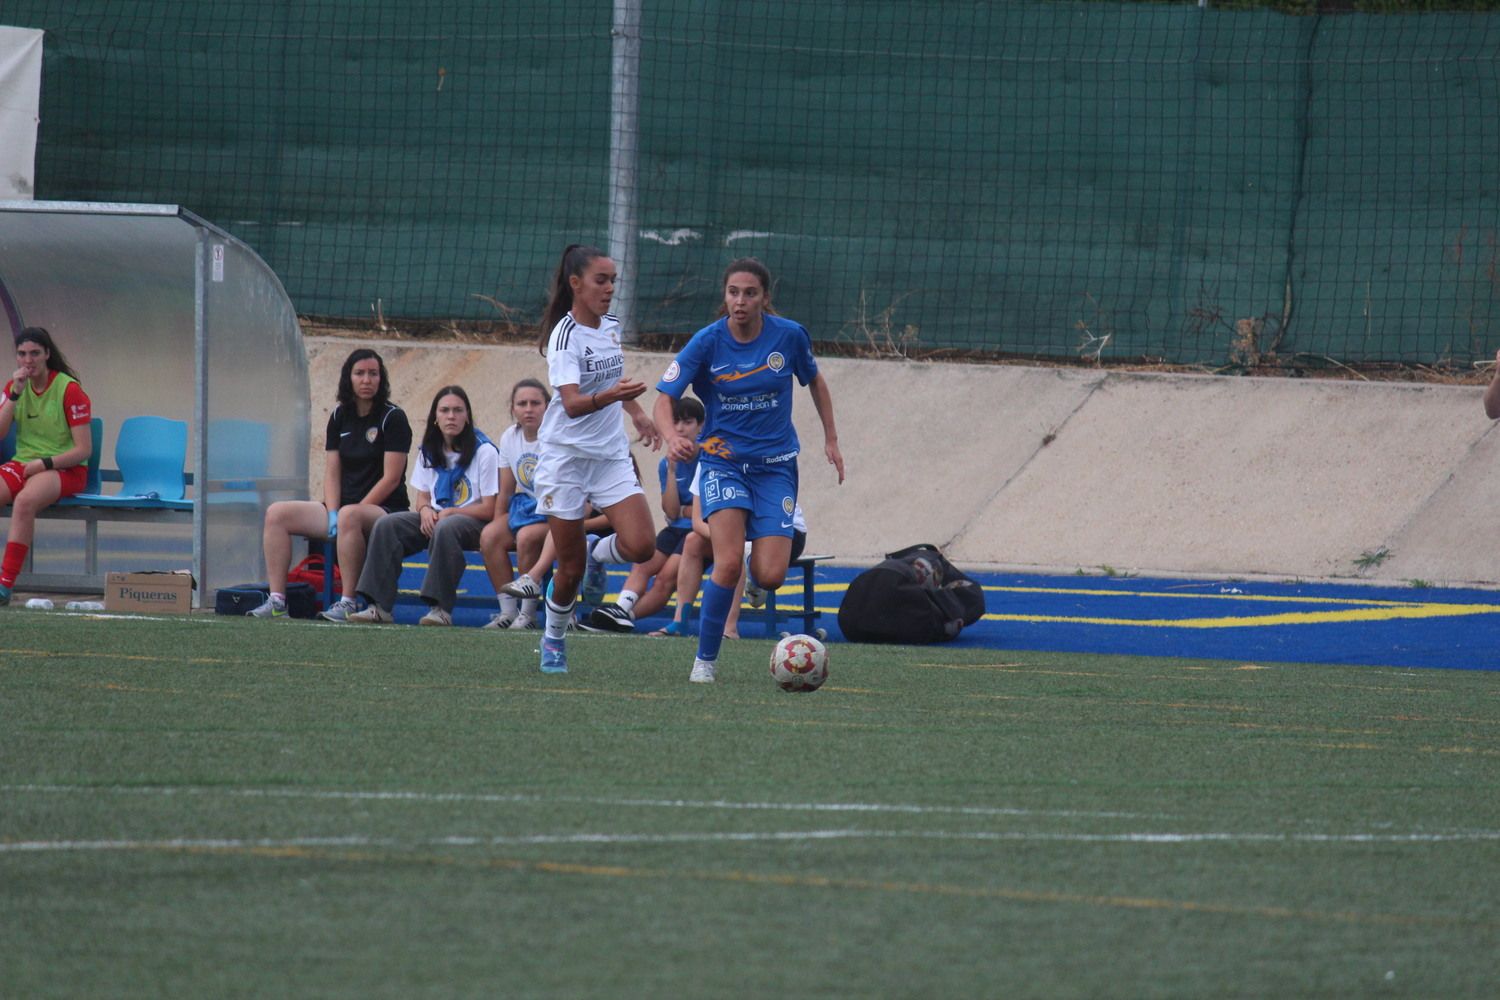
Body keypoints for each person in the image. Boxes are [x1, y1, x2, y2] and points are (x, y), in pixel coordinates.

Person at [654, 257, 844, 682]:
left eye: (750, 293)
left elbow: (815, 381)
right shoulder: (707, 342)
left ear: (764, 298)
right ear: (724, 297)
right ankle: (705, 661)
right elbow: (664, 397)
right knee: (725, 564)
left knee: (770, 574)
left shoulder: (789, 336)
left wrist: (830, 438)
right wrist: (672, 437)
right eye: (733, 293)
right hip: (723, 464)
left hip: (776, 466)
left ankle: (759, 574)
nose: (740, 301)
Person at [526, 243, 661, 672]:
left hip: (608, 455)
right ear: (576, 284)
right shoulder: (563, 337)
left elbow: (611, 377)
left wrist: (636, 412)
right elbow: (571, 403)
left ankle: (595, 552)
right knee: (567, 571)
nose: (609, 289)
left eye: (613, 281)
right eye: (601, 281)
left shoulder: (611, 325)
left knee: (643, 545)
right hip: (564, 460)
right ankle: (553, 640)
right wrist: (612, 397)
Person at [249, 348, 412, 619]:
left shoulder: (393, 418)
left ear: (381, 379)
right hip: (345, 509)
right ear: (348, 378)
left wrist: (354, 511)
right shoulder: (339, 417)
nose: (366, 380)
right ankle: (277, 601)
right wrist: (334, 512)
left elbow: (391, 478)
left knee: (350, 516)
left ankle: (348, 601)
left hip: (384, 510)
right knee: (276, 514)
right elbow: (332, 472)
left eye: (373, 374)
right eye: (359, 373)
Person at [345, 385, 499, 625]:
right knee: (388, 525)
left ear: (467, 415)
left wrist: (452, 512)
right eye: (445, 410)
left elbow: (490, 508)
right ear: (435, 417)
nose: (451, 416)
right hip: (437, 517)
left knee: (447, 527)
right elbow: (422, 497)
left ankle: (440, 610)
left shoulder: (485, 451)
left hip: (473, 522)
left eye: (458, 410)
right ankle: (379, 607)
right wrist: (426, 510)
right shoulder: (429, 449)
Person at [585, 394, 704, 630]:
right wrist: (671, 469)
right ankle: (619, 610)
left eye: (688, 422)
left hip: (700, 534)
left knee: (664, 578)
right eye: (675, 422)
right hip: (676, 530)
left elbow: (706, 512)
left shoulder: (709, 459)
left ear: (701, 426)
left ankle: (622, 619)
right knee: (643, 563)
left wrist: (686, 510)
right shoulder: (666, 464)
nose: (680, 429)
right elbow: (671, 511)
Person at [0, 328, 93, 606]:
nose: (28, 361)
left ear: (47, 355)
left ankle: (5, 585)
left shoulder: (69, 389)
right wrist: (14, 395)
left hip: (65, 467)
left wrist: (45, 463)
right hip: (25, 462)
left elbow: (83, 450)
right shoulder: (14, 386)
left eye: (35, 354)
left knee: (26, 500)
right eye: (22, 354)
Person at [480, 377, 553, 630]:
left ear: (548, 406)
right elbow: (506, 491)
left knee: (526, 537)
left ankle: (528, 613)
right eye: (522, 403)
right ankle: (507, 612)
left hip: (557, 514)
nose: (529, 409)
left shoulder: (555, 436)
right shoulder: (510, 437)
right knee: (489, 536)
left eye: (536, 403)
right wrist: (498, 523)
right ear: (513, 409)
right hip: (528, 510)